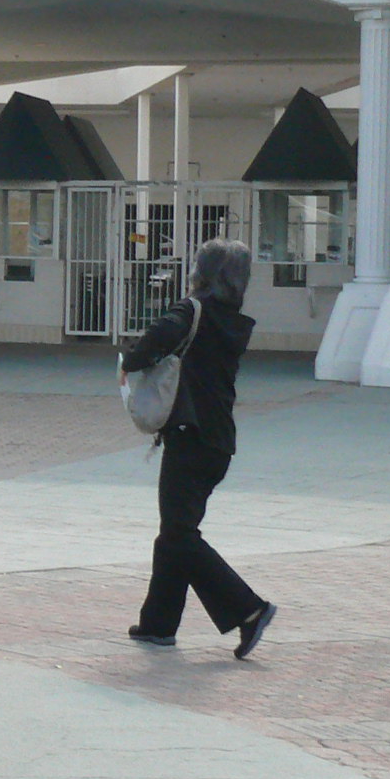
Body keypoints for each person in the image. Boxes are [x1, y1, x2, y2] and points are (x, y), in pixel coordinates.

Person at [122, 239, 276, 659]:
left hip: (191, 438)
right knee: (175, 532)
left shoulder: (192, 311)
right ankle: (158, 625)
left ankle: (250, 609)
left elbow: (150, 344)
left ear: (201, 270)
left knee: (180, 535)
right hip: (217, 442)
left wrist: (130, 361)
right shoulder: (232, 320)